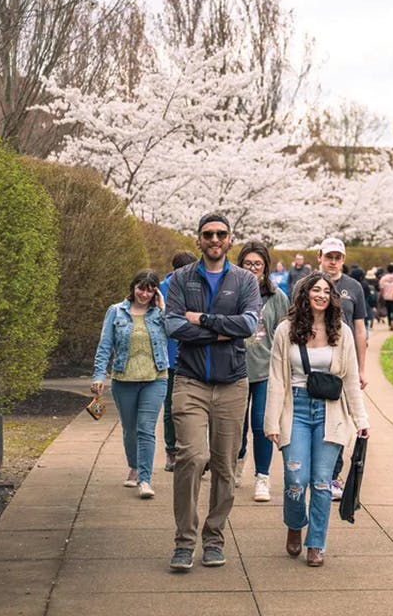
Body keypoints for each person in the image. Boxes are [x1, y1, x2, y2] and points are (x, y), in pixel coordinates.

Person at [164, 212, 262, 572]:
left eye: (221, 234)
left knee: (224, 464)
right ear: (199, 240)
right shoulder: (181, 280)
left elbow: (249, 325)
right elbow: (173, 325)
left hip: (232, 384)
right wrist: (223, 331)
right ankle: (184, 541)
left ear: (230, 239)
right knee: (190, 457)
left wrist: (202, 320)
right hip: (190, 381)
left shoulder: (244, 281)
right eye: (208, 234)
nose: (215, 239)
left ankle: (214, 537)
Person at [264, 271, 370, 568]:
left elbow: (349, 380)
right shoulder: (286, 331)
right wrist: (271, 421)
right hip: (294, 409)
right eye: (316, 290)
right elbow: (276, 378)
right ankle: (295, 524)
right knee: (296, 479)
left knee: (322, 483)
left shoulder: (342, 332)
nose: (321, 295)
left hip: (330, 412)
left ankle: (316, 543)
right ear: (305, 294)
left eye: (327, 291)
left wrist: (361, 420)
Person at [91, 270, 169, 500]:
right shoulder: (116, 311)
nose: (144, 293)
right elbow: (105, 345)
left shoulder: (159, 314)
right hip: (123, 379)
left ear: (155, 291)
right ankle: (134, 466)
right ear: (133, 287)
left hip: (155, 379)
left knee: (146, 429)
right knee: (130, 429)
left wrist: (163, 307)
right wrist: (98, 375)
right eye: (140, 288)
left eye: (150, 289)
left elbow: (175, 332)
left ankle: (145, 479)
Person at [234, 241, 291, 502]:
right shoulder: (231, 292)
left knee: (261, 424)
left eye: (258, 264)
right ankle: (238, 461)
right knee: (236, 426)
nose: (254, 268)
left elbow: (285, 335)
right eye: (248, 263)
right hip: (234, 368)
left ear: (266, 267)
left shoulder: (278, 297)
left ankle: (262, 478)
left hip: (265, 370)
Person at [315, 237, 368, 500]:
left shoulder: (353, 287)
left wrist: (361, 368)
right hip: (315, 360)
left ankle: (333, 475)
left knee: (341, 421)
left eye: (338, 257)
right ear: (320, 257)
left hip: (344, 362)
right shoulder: (309, 285)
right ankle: (318, 472)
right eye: (329, 257)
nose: (333, 262)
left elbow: (360, 329)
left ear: (343, 260)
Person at [159, 251, 197, 472]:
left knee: (171, 407)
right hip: (187, 354)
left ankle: (172, 452)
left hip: (169, 356)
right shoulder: (188, 287)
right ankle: (186, 450)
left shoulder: (163, 288)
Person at [378, 263, 393, 330]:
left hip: (386, 297)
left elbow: (381, 288)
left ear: (387, 269)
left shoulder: (383, 278)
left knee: (388, 311)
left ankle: (389, 323)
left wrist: (381, 295)